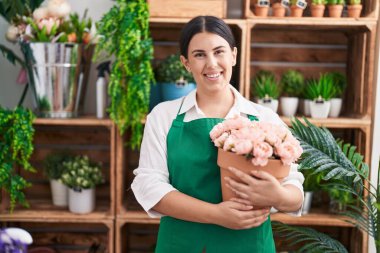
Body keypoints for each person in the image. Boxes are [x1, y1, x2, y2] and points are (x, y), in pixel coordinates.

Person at [132, 15, 304, 253]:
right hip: (182, 245)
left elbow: (295, 190)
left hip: (249, 245)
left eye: (219, 51)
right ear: (186, 63)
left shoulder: (264, 118)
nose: (211, 63)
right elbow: (149, 185)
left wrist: (279, 195)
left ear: (233, 55)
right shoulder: (163, 116)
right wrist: (216, 214)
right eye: (199, 54)